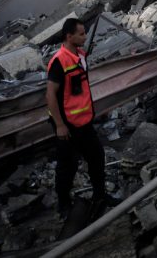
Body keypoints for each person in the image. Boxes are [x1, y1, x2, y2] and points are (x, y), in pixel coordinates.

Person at [46, 18, 106, 219]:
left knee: (96, 158)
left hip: (85, 122)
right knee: (67, 167)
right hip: (67, 127)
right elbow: (50, 95)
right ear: (68, 36)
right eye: (81, 34)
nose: (84, 36)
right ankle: (63, 204)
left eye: (84, 33)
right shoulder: (59, 61)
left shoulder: (80, 55)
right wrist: (60, 125)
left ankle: (100, 196)